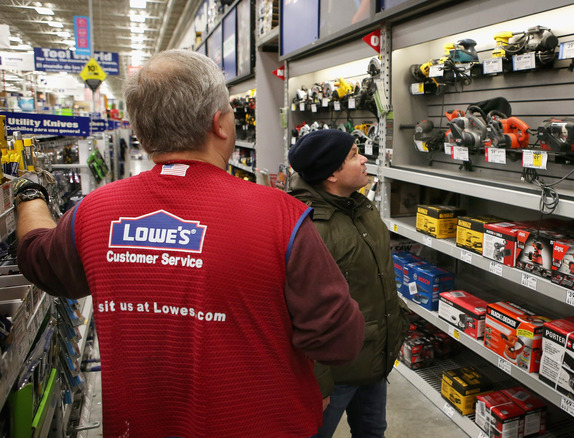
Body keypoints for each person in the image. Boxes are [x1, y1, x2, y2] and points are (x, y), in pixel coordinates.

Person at [14, 50, 365, 438]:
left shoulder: (95, 213)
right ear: (219, 125)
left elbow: (36, 256)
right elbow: (339, 341)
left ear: (141, 132)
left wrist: (29, 191)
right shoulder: (281, 216)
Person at [288, 129, 409, 438]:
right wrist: (319, 381)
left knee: (372, 431)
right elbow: (303, 314)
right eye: (354, 155)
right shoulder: (310, 227)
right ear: (331, 173)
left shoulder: (360, 207)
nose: (364, 158)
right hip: (335, 372)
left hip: (373, 358)